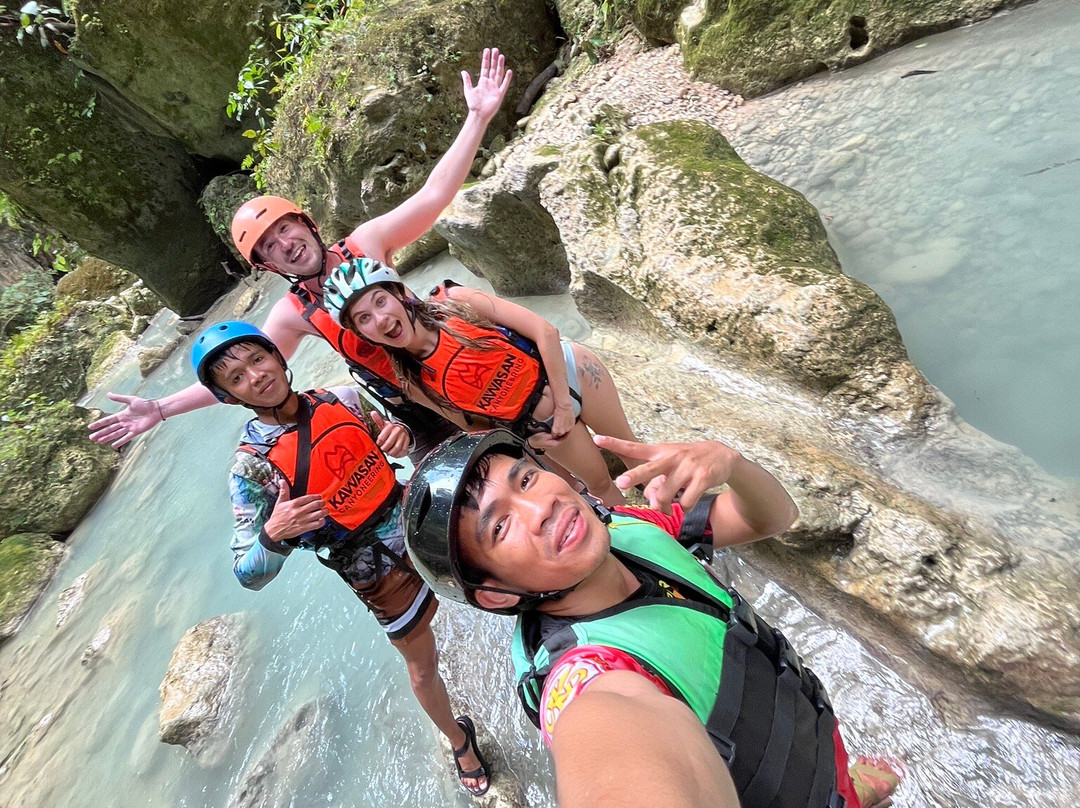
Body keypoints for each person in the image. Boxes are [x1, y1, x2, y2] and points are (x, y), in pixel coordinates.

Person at [399, 428, 905, 808]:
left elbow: (769, 518)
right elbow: (616, 756)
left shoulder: (628, 529)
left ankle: (847, 787)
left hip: (809, 743)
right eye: (501, 525)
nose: (541, 509)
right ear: (494, 595)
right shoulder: (587, 680)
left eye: (526, 479)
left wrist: (732, 464)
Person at [87, 47, 513, 461]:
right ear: (269, 266)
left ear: (307, 225)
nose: (285, 243)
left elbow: (435, 194)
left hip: (458, 360)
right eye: (270, 246)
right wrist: (161, 408)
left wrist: (477, 118)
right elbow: (242, 375)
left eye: (285, 228)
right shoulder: (294, 314)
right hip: (416, 411)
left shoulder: (366, 245)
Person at [192, 321, 491, 796]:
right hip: (369, 566)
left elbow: (386, 435)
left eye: (257, 359)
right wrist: (274, 533)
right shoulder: (251, 469)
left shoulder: (341, 398)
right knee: (421, 665)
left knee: (497, 581)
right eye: (236, 377)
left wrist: (395, 434)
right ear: (229, 397)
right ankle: (458, 741)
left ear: (277, 355)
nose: (255, 376)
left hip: (414, 519)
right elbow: (246, 574)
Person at [322, 258, 639, 506]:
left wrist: (564, 404)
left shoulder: (456, 301)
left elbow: (545, 332)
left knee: (634, 454)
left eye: (380, 301)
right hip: (540, 425)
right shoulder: (412, 382)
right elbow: (478, 428)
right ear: (361, 334)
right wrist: (531, 447)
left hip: (572, 374)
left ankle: (679, 513)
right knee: (600, 486)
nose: (380, 319)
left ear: (399, 293)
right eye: (364, 319)